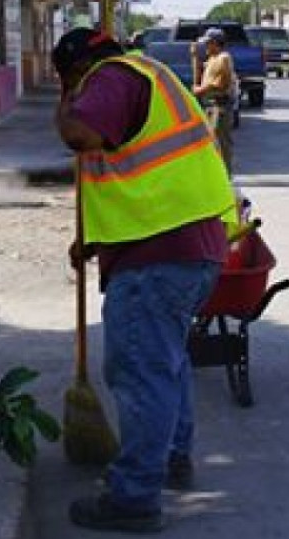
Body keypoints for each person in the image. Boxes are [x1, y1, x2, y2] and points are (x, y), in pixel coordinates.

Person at [52, 27, 237, 534]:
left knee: (140, 373)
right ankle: (173, 456)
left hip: (157, 255)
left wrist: (66, 99)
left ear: (77, 69)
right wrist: (92, 241)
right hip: (192, 245)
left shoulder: (109, 78)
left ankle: (135, 495)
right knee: (166, 364)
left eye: (69, 79)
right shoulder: (151, 75)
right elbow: (140, 173)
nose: (74, 90)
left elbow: (80, 134)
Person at [192, 27, 236, 172]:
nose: (205, 47)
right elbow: (199, 76)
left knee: (221, 143)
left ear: (215, 43)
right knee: (211, 142)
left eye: (207, 43)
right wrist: (195, 57)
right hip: (210, 105)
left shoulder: (223, 58)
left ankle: (225, 177)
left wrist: (200, 90)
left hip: (220, 106)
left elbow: (221, 83)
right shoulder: (211, 59)